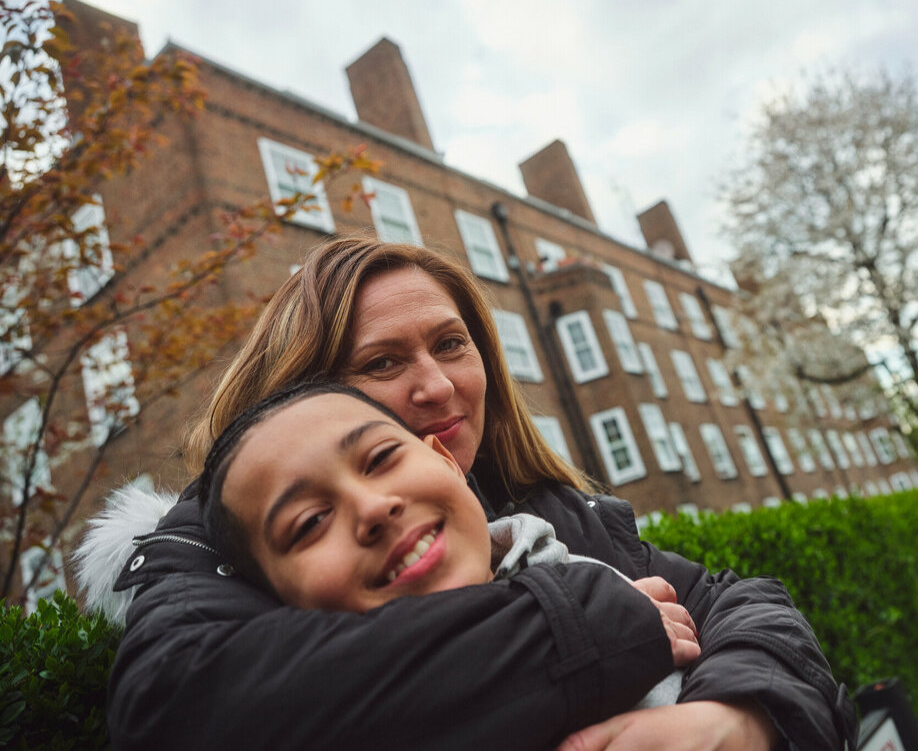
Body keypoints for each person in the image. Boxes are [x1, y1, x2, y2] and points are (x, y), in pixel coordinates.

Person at [80, 237, 857, 750]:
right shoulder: (216, 545)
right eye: (382, 363)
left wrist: (736, 719)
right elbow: (186, 705)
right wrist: (598, 615)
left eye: (451, 345)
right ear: (305, 398)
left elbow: (733, 600)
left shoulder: (541, 514)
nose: (437, 384)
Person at [197, 379, 692, 708]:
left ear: (446, 463)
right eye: (309, 522)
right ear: (271, 595)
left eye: (380, 458)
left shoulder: (600, 574)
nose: (373, 508)